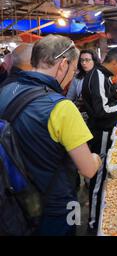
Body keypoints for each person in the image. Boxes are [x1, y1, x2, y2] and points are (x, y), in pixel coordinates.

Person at [0, 35, 102, 236]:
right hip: (55, 207)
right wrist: (97, 159)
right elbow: (88, 170)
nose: (72, 76)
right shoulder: (62, 107)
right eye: (73, 70)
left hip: (13, 204)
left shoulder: (4, 91)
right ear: (63, 65)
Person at [82, 47, 117, 233]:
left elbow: (106, 104)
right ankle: (94, 223)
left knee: (101, 176)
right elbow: (102, 111)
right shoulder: (97, 76)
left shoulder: (101, 75)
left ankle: (96, 219)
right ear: (113, 63)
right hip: (101, 133)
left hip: (104, 130)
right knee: (99, 178)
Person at [66, 49, 100, 119]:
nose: (84, 63)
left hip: (99, 115)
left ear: (94, 61)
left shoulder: (101, 77)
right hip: (82, 116)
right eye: (81, 60)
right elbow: (69, 98)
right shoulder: (77, 78)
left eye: (87, 60)